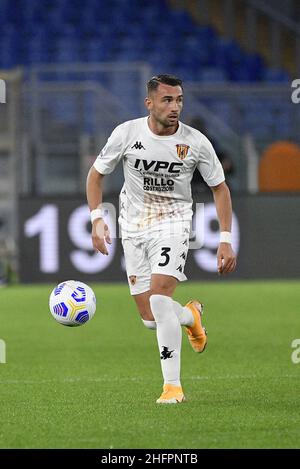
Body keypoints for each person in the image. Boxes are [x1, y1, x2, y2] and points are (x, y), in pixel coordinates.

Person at [86, 74, 237, 404]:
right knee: (151, 319)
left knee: (158, 298)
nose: (175, 106)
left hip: (174, 223)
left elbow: (220, 188)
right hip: (133, 226)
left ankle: (173, 387)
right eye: (167, 100)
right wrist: (97, 219)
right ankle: (190, 317)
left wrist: (225, 237)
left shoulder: (195, 142)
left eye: (179, 99)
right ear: (149, 103)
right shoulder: (127, 134)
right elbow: (96, 175)